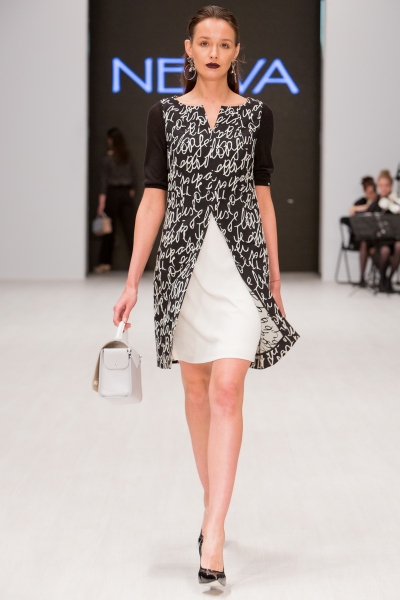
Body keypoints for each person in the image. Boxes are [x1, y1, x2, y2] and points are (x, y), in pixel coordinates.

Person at [112, 5, 299, 588]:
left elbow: (262, 197)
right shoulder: (163, 114)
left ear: (237, 52)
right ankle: (211, 504)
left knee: (226, 389)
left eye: (224, 43)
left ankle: (213, 532)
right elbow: (153, 198)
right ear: (188, 49)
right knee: (195, 392)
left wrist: (273, 279)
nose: (214, 52)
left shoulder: (258, 115)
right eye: (204, 42)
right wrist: (132, 280)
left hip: (240, 270)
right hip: (182, 271)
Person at [94, 127, 136, 274]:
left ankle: (105, 263)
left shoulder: (107, 158)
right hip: (126, 193)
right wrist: (130, 191)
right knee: (130, 231)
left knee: (109, 231)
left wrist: (101, 204)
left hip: (112, 194)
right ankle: (137, 265)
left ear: (111, 140)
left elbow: (104, 182)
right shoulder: (126, 156)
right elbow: (132, 178)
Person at [368, 170, 400, 292]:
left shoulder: (395, 202)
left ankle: (389, 278)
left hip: (394, 238)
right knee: (384, 250)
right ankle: (382, 279)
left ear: (391, 185)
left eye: (387, 185)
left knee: (399, 246)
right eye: (381, 185)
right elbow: (369, 223)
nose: (384, 188)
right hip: (381, 240)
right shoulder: (375, 204)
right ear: (378, 186)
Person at [349, 177, 379, 286]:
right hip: (362, 237)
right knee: (364, 244)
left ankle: (382, 278)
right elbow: (352, 211)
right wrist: (368, 206)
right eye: (369, 192)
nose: (371, 195)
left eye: (373, 192)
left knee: (375, 249)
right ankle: (362, 278)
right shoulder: (361, 201)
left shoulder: (379, 202)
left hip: (376, 237)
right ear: (365, 192)